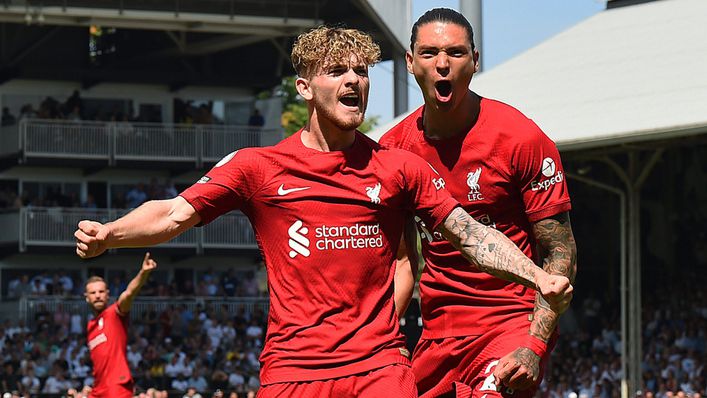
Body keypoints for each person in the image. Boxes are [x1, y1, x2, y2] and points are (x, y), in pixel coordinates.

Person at [75, 26, 572, 398]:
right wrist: (110, 234)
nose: (354, 80)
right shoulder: (258, 167)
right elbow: (172, 215)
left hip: (381, 368)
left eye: (362, 71)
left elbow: (470, 235)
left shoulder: (398, 167)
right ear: (305, 88)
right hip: (293, 372)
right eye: (337, 71)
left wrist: (536, 277)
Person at [379, 8, 578, 398]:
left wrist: (534, 345)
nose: (441, 64)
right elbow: (400, 263)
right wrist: (380, 341)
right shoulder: (393, 150)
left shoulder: (520, 138)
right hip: (436, 337)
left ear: (475, 61)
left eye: (455, 52)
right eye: (429, 53)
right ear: (409, 61)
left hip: (510, 327)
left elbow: (559, 249)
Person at [84, 252, 157, 398]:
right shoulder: (90, 325)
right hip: (97, 388)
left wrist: (143, 274)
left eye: (101, 291)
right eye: (93, 292)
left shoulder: (115, 314)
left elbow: (129, 294)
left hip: (117, 385)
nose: (97, 295)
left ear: (107, 294)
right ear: (87, 298)